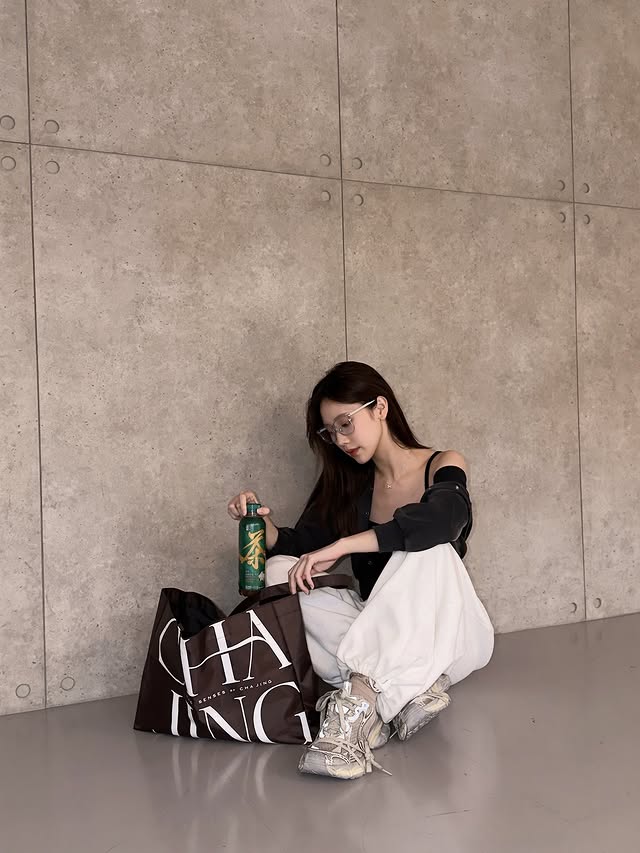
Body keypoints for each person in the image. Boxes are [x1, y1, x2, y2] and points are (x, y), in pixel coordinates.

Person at [227, 361, 494, 780]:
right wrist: (262, 525)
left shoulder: (442, 463)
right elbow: (303, 547)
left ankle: (358, 706)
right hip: (378, 629)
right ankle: (399, 696)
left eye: (346, 424)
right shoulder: (349, 481)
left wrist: (347, 543)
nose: (340, 440)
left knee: (430, 547)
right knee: (279, 571)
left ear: (380, 408)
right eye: (330, 432)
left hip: (445, 634)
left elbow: (444, 520)